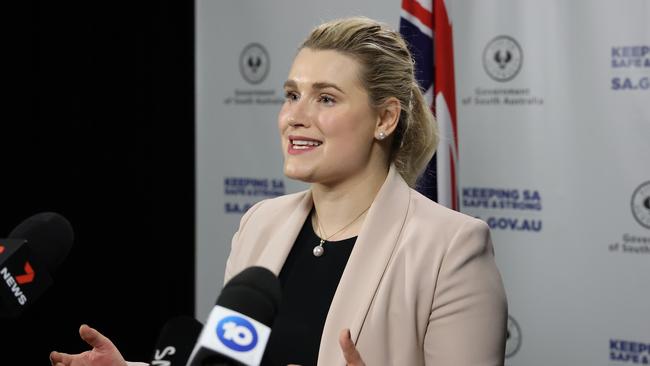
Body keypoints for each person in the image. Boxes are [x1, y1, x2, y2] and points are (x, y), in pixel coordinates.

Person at [51, 17, 507, 366]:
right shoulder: (260, 224)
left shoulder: (451, 247)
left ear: (385, 119)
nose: (295, 116)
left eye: (325, 98)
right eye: (292, 95)